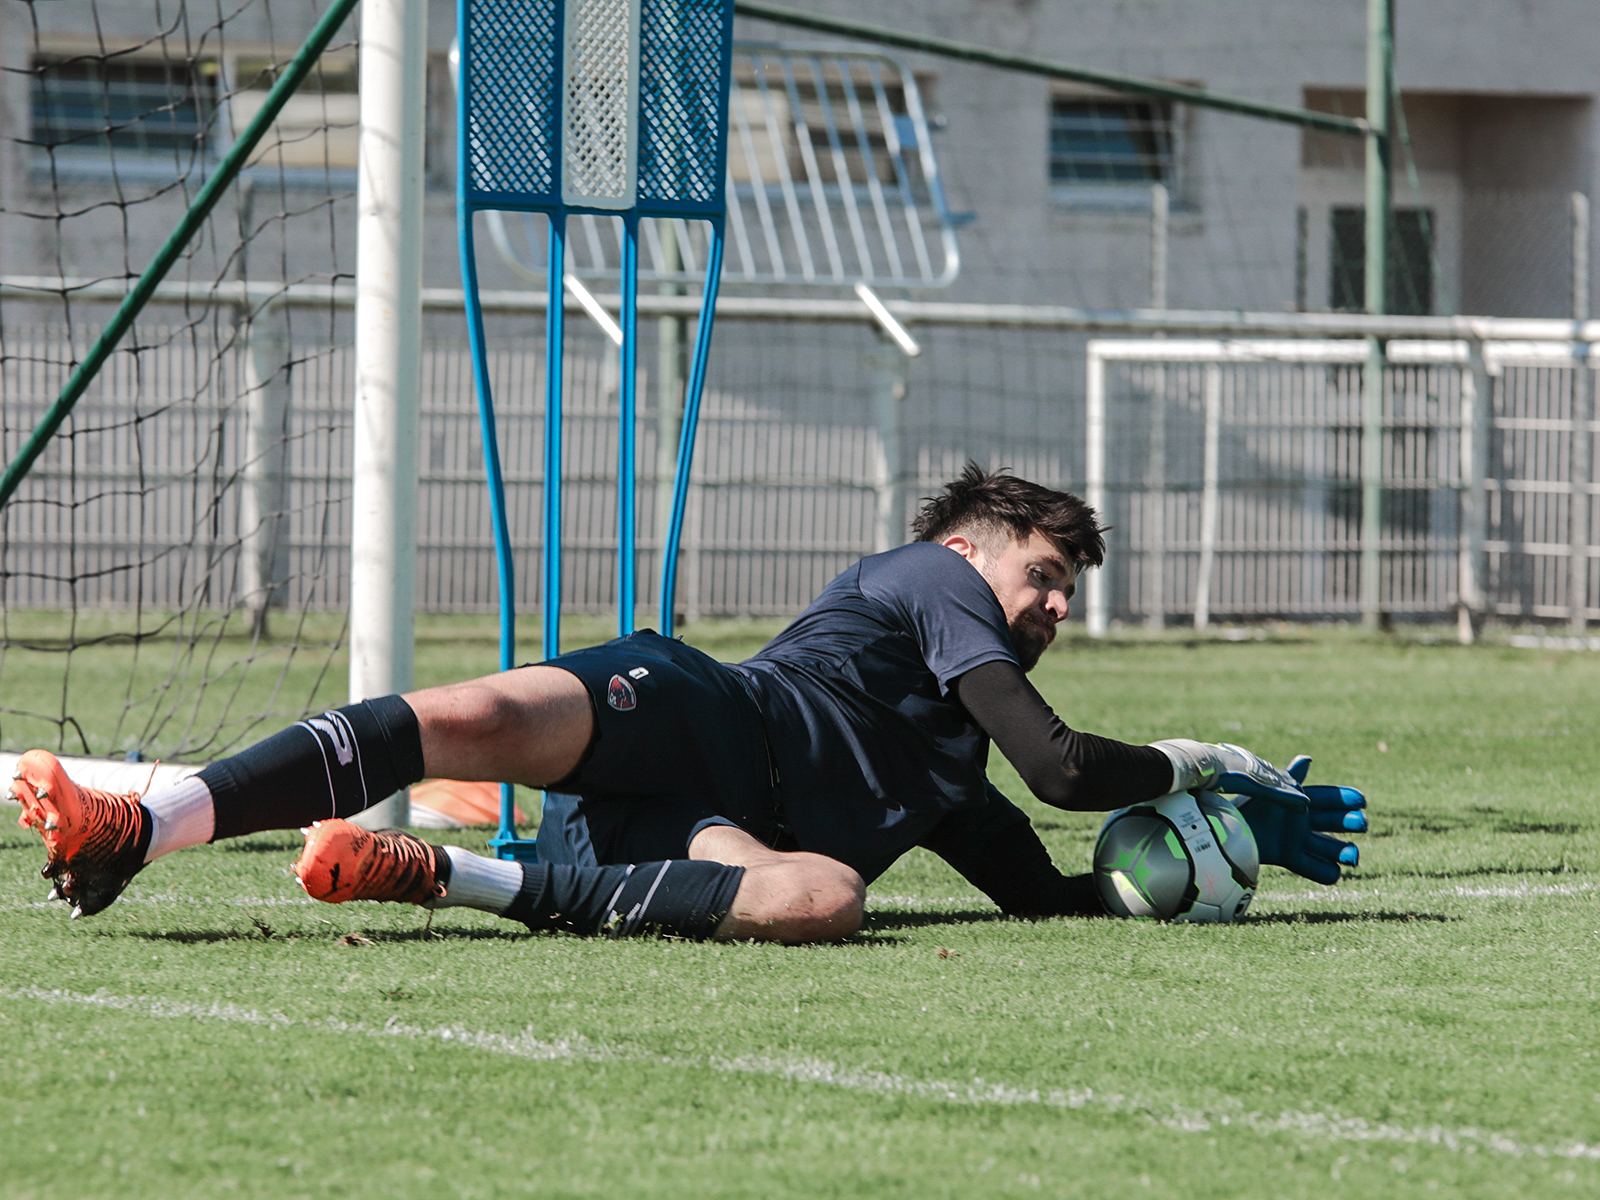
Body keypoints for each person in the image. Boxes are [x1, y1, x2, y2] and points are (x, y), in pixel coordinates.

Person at [11, 465, 1366, 943]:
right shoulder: (929, 576)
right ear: (971, 552)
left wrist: (1200, 867)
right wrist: (1203, 762)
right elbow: (1066, 770)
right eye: (1049, 576)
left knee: (825, 899)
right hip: (706, 713)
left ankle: (446, 874)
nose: (1059, 605)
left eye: (1069, 591)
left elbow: (1046, 885)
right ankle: (147, 821)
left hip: (686, 832)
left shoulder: (954, 771)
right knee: (466, 710)